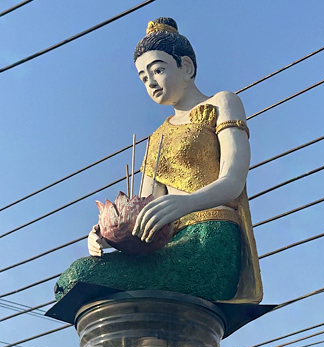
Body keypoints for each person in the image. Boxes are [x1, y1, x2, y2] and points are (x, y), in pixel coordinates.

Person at [55, 17, 262, 304]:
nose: (151, 82)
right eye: (143, 77)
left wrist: (186, 203)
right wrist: (109, 232)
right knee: (77, 276)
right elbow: (142, 217)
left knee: (84, 280)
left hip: (211, 241)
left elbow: (234, 180)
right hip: (170, 246)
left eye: (158, 70)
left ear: (186, 67)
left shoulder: (221, 103)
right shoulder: (157, 138)